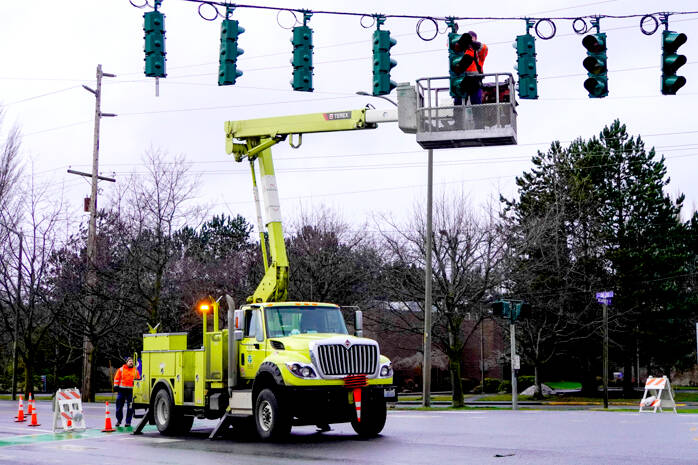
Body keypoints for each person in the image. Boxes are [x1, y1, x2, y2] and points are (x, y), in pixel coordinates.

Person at [455, 31, 489, 106]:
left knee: (476, 104)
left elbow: (484, 48)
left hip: (475, 81)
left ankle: (477, 117)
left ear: (475, 39)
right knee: (458, 104)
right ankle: (458, 117)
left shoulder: (477, 51)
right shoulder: (461, 51)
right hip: (461, 81)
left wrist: (473, 44)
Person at [113, 357, 141, 427]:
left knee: (130, 407)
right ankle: (119, 420)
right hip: (121, 391)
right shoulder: (121, 369)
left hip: (131, 392)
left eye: (132, 361)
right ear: (126, 362)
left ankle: (128, 422)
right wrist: (116, 386)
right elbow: (116, 378)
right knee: (119, 406)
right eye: (129, 361)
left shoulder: (135, 371)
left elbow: (138, 380)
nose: (131, 362)